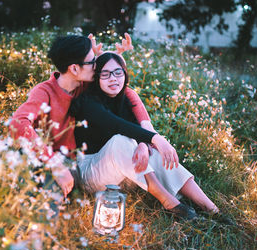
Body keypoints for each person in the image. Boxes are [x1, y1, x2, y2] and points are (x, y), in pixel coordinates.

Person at [9, 34, 179, 200]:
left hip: (80, 164)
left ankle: (171, 195)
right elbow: (18, 123)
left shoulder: (85, 84)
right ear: (74, 69)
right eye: (92, 62)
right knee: (42, 200)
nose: (96, 66)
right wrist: (55, 163)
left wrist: (148, 133)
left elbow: (124, 88)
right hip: (51, 160)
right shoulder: (44, 91)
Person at [69, 52, 220, 219]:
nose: (113, 78)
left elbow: (134, 129)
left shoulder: (125, 100)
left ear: (125, 74)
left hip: (122, 173)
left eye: (118, 72)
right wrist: (156, 138)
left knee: (153, 152)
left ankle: (212, 210)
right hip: (91, 174)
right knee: (121, 141)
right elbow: (116, 125)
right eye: (105, 74)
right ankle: (170, 203)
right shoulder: (88, 102)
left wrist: (143, 144)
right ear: (96, 78)